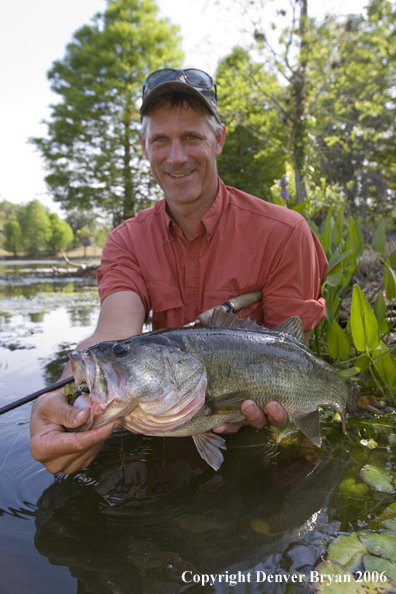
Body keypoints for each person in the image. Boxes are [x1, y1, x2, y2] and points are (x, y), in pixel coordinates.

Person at [30, 68, 328, 475]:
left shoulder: (285, 233)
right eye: (161, 140)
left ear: (218, 139)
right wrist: (64, 398)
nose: (176, 157)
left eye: (192, 137)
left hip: (254, 441)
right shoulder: (125, 242)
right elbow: (111, 336)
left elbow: (291, 357)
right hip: (168, 415)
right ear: (143, 145)